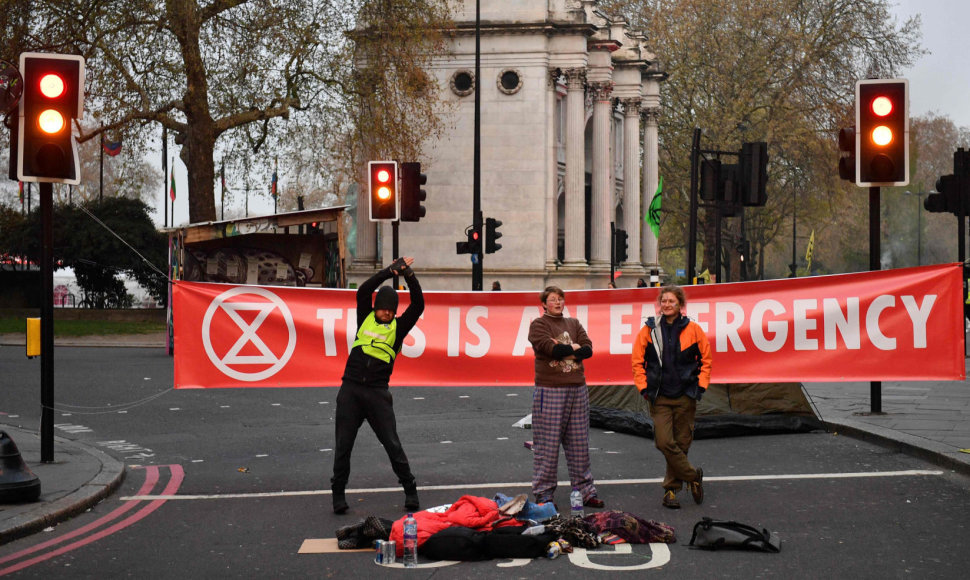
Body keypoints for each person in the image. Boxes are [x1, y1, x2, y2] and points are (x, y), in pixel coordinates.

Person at [331, 257, 424, 514]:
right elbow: (363, 291)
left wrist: (409, 275)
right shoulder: (366, 317)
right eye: (383, 308)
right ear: (376, 308)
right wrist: (388, 272)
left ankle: (410, 489)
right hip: (350, 390)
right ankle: (338, 493)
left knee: (392, 444)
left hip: (377, 393)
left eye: (390, 310)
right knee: (343, 446)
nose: (386, 313)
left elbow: (418, 304)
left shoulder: (399, 327)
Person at [631, 285, 711, 509]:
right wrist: (643, 388)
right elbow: (637, 362)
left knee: (682, 443)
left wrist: (701, 386)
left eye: (671, 301)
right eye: (663, 301)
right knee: (664, 442)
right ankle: (693, 476)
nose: (666, 305)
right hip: (659, 396)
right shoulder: (649, 330)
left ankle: (670, 491)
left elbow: (706, 359)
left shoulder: (693, 329)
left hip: (686, 394)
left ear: (680, 305)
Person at [528, 286, 605, 509]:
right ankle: (544, 493)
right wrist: (572, 348)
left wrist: (564, 348)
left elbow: (588, 349)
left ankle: (585, 490)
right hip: (550, 389)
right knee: (547, 445)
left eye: (560, 299)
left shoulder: (574, 323)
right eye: (553, 299)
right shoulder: (539, 325)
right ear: (544, 304)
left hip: (577, 388)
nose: (558, 302)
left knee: (580, 443)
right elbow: (549, 349)